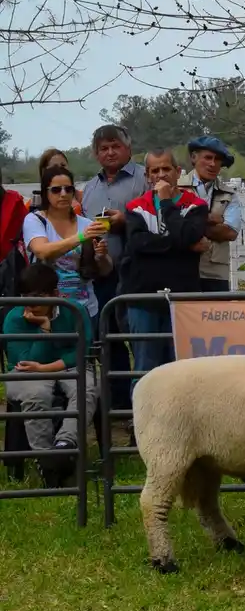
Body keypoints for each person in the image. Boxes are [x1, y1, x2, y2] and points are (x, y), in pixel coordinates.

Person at [120, 149, 209, 394]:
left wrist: (167, 203)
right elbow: (138, 245)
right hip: (143, 297)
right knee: (144, 367)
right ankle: (140, 427)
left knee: (180, 368)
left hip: (183, 299)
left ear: (178, 172)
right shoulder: (136, 207)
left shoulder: (196, 205)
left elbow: (189, 235)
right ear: (148, 175)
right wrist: (181, 246)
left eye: (166, 169)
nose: (161, 175)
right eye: (155, 170)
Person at [80, 124, 148, 414]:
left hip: (139, 272)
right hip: (103, 274)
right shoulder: (90, 189)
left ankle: (145, 400)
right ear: (96, 154)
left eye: (114, 146)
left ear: (128, 148)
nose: (109, 152)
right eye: (103, 148)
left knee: (140, 338)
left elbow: (157, 221)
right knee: (109, 337)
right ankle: (119, 402)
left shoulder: (144, 180)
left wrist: (127, 220)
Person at [4, 262, 94, 481]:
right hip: (26, 372)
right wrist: (44, 327)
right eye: (27, 296)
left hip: (66, 367)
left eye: (39, 296)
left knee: (86, 389)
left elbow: (83, 349)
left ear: (55, 293)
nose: (32, 303)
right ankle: (47, 462)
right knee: (36, 394)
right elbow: (25, 360)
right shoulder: (14, 317)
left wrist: (48, 367)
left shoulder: (75, 310)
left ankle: (64, 445)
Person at [23, 166, 111, 326]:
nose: (63, 194)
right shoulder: (35, 220)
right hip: (46, 309)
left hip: (85, 308)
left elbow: (105, 270)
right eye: (56, 190)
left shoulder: (87, 223)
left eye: (68, 189)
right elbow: (42, 251)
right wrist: (81, 236)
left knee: (87, 350)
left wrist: (102, 256)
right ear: (45, 192)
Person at [179, 135, 243, 292]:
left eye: (218, 159)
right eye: (207, 157)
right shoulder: (176, 188)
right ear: (194, 158)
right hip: (180, 269)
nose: (213, 164)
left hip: (215, 274)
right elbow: (169, 225)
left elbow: (230, 232)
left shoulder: (230, 194)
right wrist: (211, 219)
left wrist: (188, 224)